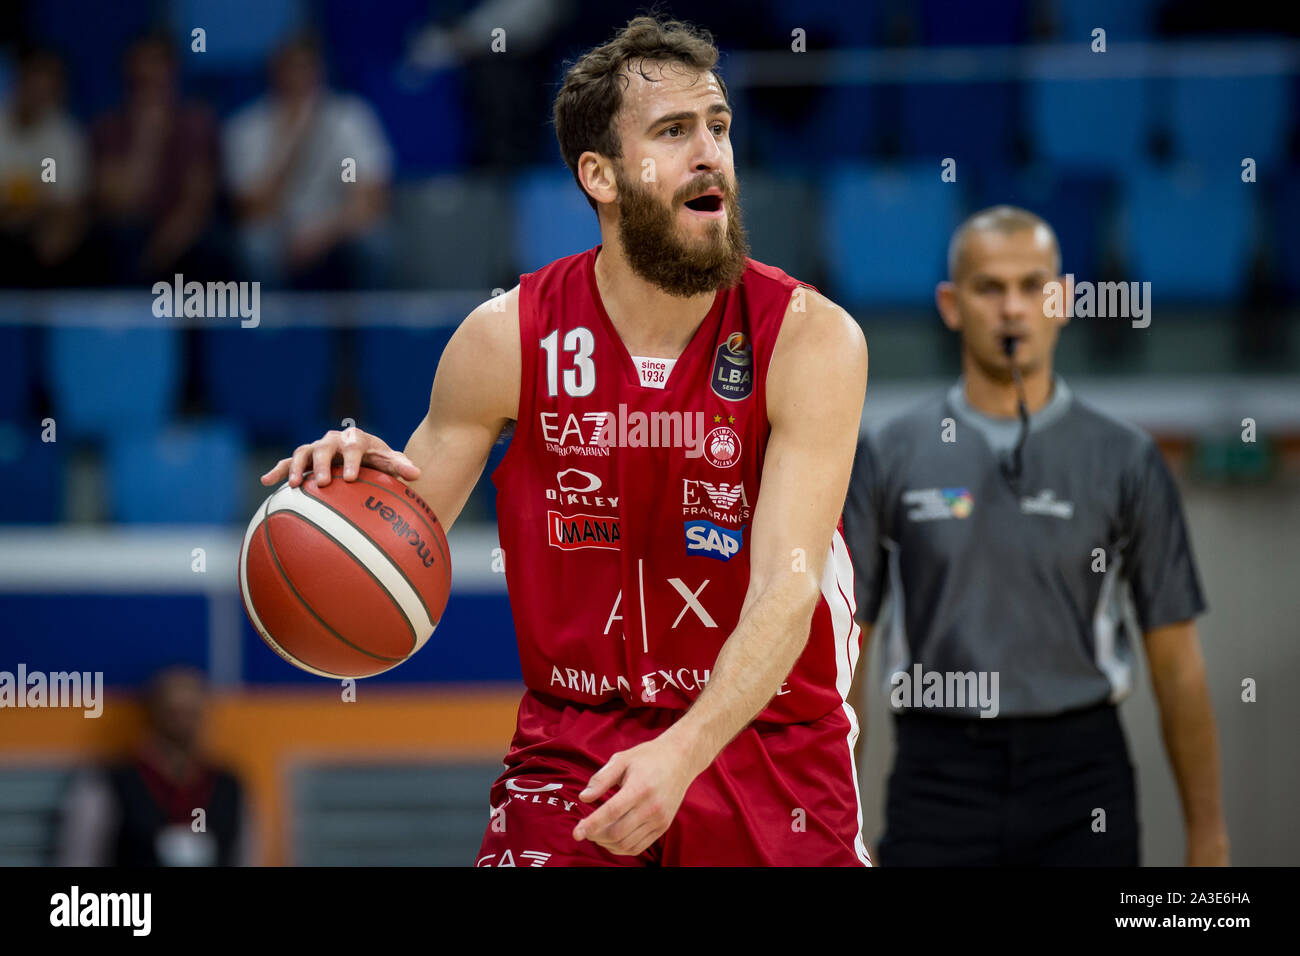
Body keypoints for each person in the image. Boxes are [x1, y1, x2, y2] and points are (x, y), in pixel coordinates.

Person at [261, 15, 870, 866]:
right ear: (601, 175)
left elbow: (786, 590)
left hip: (763, 742)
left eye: (719, 127)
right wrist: (341, 493)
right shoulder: (505, 338)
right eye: (673, 130)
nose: (711, 153)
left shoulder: (812, 338)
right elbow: (401, 533)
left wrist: (681, 756)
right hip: (575, 746)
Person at [842, 206, 1229, 866]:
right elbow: (846, 658)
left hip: (1082, 776)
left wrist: (1209, 837)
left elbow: (1178, 664)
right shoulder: (890, 454)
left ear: (1063, 300)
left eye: (1032, 286)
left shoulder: (1126, 459)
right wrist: (834, 830)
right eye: (989, 288)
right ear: (951, 304)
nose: (1012, 308)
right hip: (938, 776)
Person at [224, 32, 392, 289]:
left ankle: (371, 328)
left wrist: (322, 233)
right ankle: (271, 328)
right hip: (276, 230)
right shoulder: (246, 127)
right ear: (274, 73)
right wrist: (294, 144)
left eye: (305, 68)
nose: (297, 78)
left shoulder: (350, 117)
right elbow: (252, 211)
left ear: (320, 71)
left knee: (374, 243)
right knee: (255, 247)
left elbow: (370, 199)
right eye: (289, 68)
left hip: (336, 226)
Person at [56, 666, 254, 866]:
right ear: (152, 711)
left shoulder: (229, 785)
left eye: (191, 711)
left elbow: (247, 858)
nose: (183, 721)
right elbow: (79, 860)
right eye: (174, 711)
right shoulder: (108, 782)